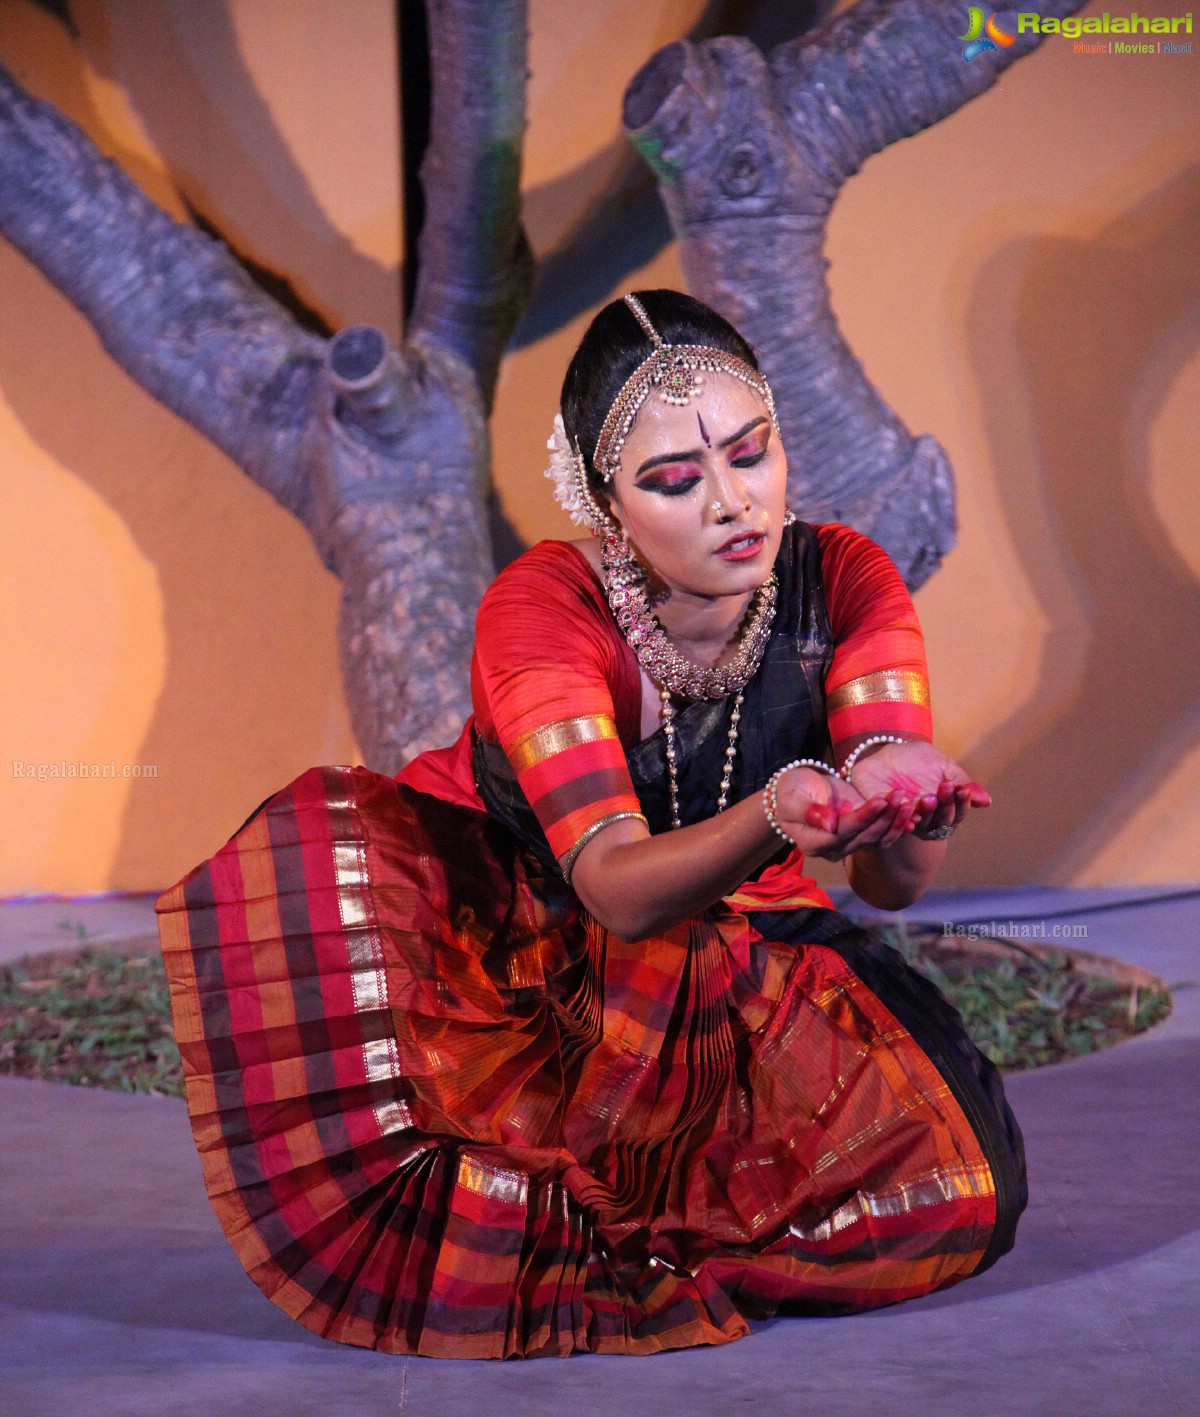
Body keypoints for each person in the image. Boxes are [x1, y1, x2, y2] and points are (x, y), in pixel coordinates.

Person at [156, 289, 1027, 1359]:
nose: (730, 502)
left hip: (734, 926)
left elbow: (893, 885)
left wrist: (906, 800)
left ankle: (681, 1218)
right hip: (520, 928)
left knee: (968, 1186)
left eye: (751, 455)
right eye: (674, 479)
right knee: (456, 1196)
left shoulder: (843, 577)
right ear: (607, 505)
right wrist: (773, 812)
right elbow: (613, 888)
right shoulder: (543, 606)